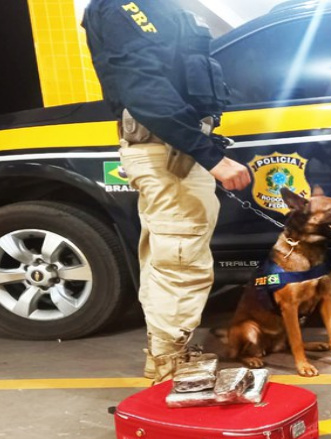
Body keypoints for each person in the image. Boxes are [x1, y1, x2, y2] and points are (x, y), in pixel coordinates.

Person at [82, 0, 251, 383]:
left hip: (175, 148)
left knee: (171, 258)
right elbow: (145, 89)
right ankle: (171, 364)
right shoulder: (123, 6)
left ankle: (169, 353)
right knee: (180, 260)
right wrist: (210, 155)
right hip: (169, 150)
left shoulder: (157, 7)